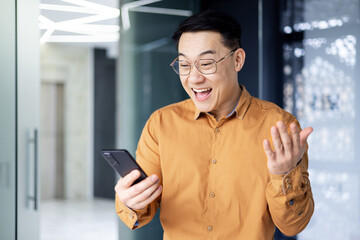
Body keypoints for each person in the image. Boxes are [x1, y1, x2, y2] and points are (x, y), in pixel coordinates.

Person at [114, 9, 314, 239]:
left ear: (237, 60)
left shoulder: (279, 126)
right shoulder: (161, 124)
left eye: (206, 63)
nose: (194, 78)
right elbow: (142, 212)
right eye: (184, 65)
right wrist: (129, 200)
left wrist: (283, 175)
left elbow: (293, 226)